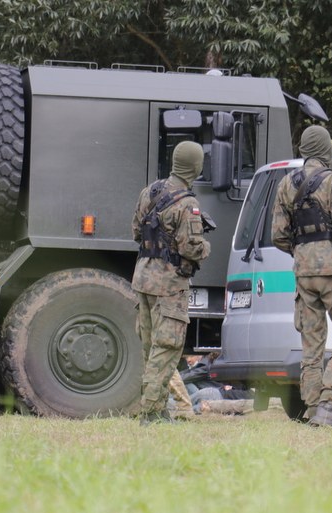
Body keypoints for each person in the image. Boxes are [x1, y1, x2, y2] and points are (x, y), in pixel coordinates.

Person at [271, 125, 332, 428]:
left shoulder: (287, 184)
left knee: (311, 345)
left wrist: (303, 252)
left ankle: (313, 411)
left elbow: (278, 235)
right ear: (325, 148)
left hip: (303, 272)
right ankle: (329, 404)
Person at [132, 141, 211, 425]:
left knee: (150, 347)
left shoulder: (149, 192)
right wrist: (206, 247)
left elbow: (135, 232)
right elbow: (191, 248)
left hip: (142, 278)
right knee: (166, 348)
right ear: (196, 166)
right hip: (169, 285)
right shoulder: (188, 204)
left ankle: (158, 409)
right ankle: (151, 413)